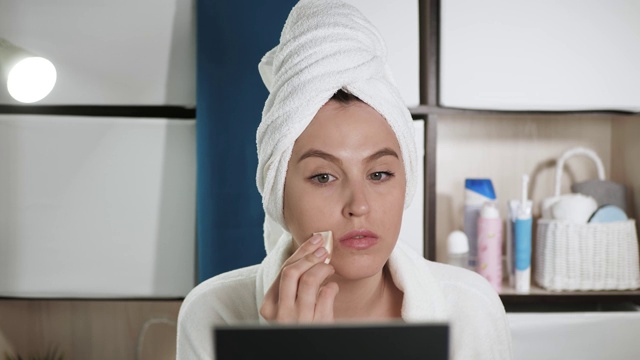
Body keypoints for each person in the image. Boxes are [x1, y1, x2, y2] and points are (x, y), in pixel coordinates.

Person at [176, 0, 513, 359]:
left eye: (379, 174)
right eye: (323, 176)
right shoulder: (213, 315)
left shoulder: (471, 311)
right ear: (278, 197)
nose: (359, 205)